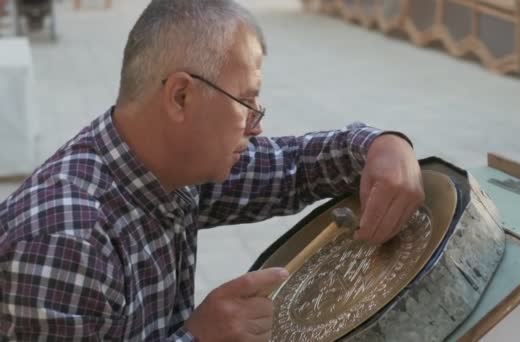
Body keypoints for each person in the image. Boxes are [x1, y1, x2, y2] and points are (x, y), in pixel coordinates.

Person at [0, 0, 424, 340]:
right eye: (246, 101)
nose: (257, 126)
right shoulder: (67, 238)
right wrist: (200, 336)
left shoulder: (170, 165)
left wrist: (382, 146)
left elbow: (294, 168)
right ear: (181, 96)